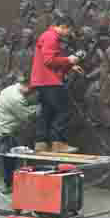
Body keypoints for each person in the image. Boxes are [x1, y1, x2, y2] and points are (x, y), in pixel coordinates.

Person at [30, 13, 84, 153]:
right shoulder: (51, 37)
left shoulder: (46, 35)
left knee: (46, 111)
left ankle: (40, 143)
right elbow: (49, 60)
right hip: (50, 81)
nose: (69, 34)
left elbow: (50, 60)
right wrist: (69, 60)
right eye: (69, 31)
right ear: (64, 27)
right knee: (64, 110)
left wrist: (70, 66)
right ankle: (58, 142)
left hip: (42, 81)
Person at [0, 76, 39, 194]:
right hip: (2, 133)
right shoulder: (16, 99)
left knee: (2, 160)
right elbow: (28, 117)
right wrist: (38, 107)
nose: (32, 93)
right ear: (27, 86)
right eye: (32, 90)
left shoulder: (9, 89)